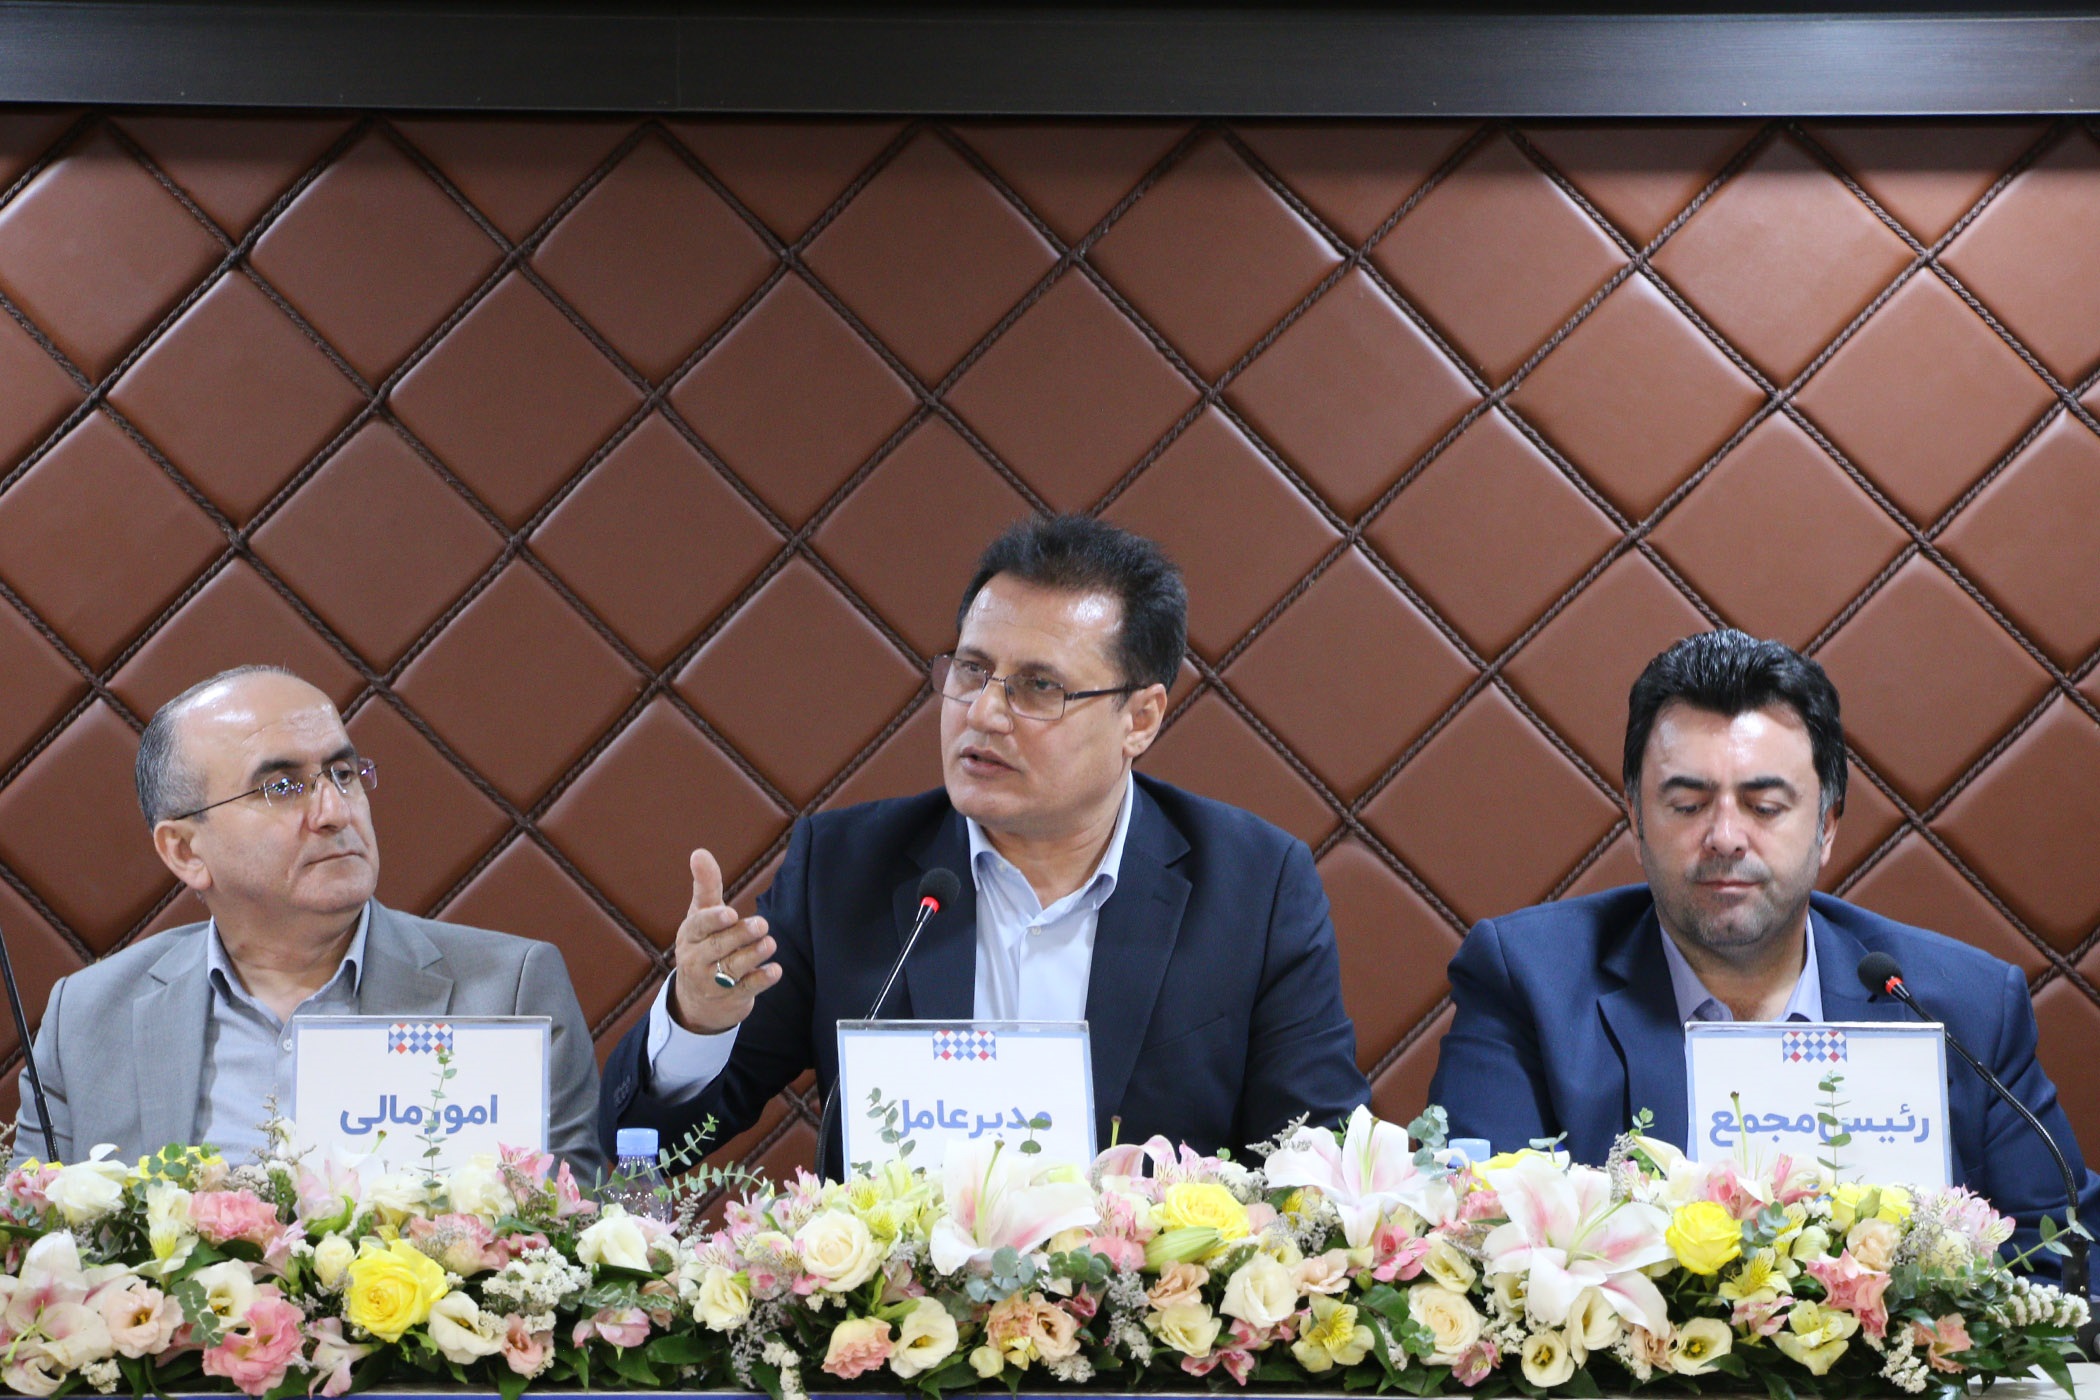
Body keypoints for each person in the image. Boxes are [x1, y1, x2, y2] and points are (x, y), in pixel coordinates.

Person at [600, 515, 1368, 1174]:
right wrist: (698, 1019)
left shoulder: (1253, 887)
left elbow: (1322, 1166)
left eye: (1039, 687)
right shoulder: (843, 869)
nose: (984, 714)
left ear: (1140, 718)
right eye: (972, 671)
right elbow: (649, 1147)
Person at [1429, 629, 2099, 1262]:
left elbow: (2068, 1260)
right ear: (1635, 819)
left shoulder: (1965, 1008)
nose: (1725, 837)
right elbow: (1474, 1249)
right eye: (1687, 805)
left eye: (1765, 806)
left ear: (1826, 826)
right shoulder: (1528, 985)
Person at [14, 666, 605, 1176]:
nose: (334, 811)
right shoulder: (88, 1019)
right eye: (283, 787)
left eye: (343, 774)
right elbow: (37, 1246)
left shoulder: (509, 991)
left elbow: (570, 1233)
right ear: (186, 851)